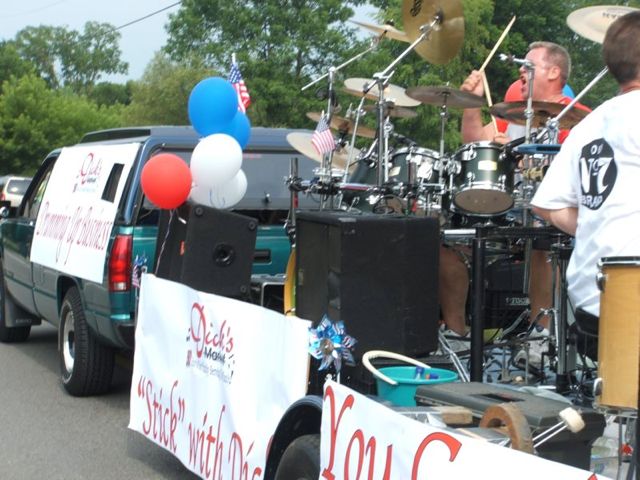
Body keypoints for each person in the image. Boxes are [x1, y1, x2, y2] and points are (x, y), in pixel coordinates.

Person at [439, 41, 590, 366]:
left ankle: (540, 338)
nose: (521, 69)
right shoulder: (515, 111)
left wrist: (523, 157)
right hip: (507, 206)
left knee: (542, 244)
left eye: (529, 64)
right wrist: (472, 103)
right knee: (450, 245)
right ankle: (456, 336)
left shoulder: (577, 119)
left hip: (551, 215)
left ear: (554, 71)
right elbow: (474, 140)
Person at [531, 12, 640, 359]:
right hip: (630, 297)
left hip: (591, 306)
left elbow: (547, 205)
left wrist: (599, 222)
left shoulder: (587, 125)